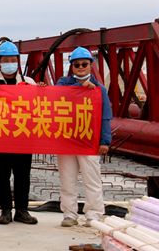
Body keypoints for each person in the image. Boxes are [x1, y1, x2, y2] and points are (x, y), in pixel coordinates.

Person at [0, 41, 40, 225]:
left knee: (22, 174)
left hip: (23, 135)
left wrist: (42, 91)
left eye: (13, 60)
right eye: (6, 60)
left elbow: (38, 107)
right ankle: (5, 210)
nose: (10, 63)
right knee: (1, 175)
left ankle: (22, 210)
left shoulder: (29, 82)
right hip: (0, 135)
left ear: (18, 61)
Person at [56, 47, 112, 227]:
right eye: (77, 64)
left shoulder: (99, 90)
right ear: (71, 66)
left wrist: (105, 141)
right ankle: (69, 214)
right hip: (66, 140)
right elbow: (54, 95)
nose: (81, 67)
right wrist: (81, 88)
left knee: (91, 179)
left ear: (91, 65)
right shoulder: (63, 83)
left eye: (84, 64)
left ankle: (94, 214)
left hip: (89, 141)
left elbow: (105, 116)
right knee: (67, 179)